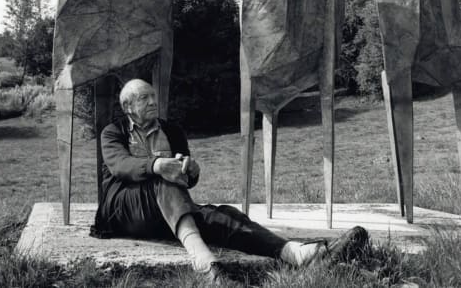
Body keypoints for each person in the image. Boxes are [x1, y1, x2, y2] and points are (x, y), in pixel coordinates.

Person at [91, 79, 368, 284]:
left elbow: (184, 179)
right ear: (127, 106)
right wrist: (157, 165)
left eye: (153, 96)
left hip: (166, 210)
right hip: (122, 210)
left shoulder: (172, 130)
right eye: (143, 98)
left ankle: (300, 254)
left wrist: (190, 170)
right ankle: (207, 266)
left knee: (224, 215)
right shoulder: (113, 132)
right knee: (164, 179)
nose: (152, 102)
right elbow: (120, 166)